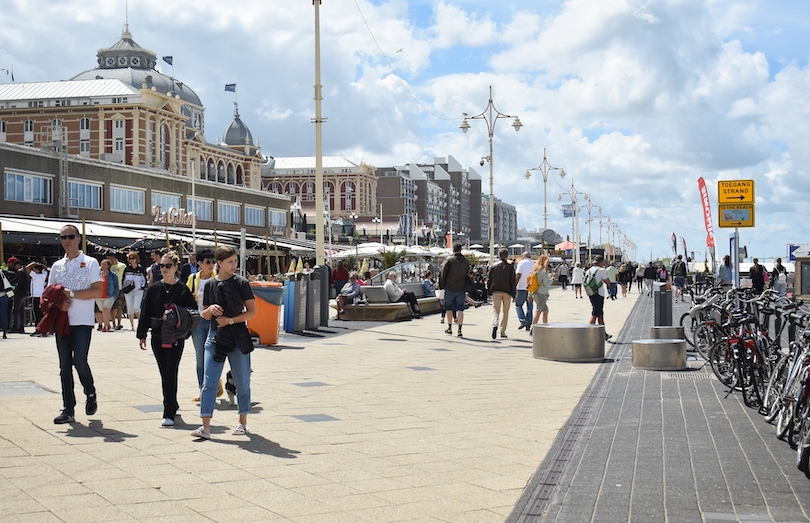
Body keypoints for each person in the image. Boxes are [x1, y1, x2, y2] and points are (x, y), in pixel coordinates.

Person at [193, 245, 257, 440]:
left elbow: (252, 312)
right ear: (219, 263)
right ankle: (205, 426)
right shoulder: (210, 284)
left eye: (235, 261)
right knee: (209, 382)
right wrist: (210, 309)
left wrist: (229, 320)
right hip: (215, 337)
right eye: (230, 261)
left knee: (242, 382)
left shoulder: (242, 283)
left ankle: (242, 422)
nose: (234, 265)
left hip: (237, 336)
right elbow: (203, 314)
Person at [48, 224, 103, 424]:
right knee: (64, 366)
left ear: (79, 238)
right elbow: (49, 294)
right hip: (62, 321)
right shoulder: (57, 266)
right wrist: (59, 303)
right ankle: (68, 409)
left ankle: (90, 392)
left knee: (79, 361)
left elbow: (97, 290)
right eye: (63, 237)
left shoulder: (90, 262)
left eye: (71, 236)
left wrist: (71, 294)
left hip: (83, 321)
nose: (67, 240)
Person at [137, 251, 197, 427]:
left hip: (176, 336)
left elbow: (193, 314)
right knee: (164, 372)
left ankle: (168, 410)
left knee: (171, 371)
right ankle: (173, 402)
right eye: (160, 266)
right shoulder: (154, 288)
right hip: (157, 335)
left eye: (167, 266)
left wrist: (180, 323)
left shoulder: (183, 289)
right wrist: (141, 334)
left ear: (176, 267)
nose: (163, 269)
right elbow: (146, 311)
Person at [186, 249, 217, 401]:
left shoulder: (218, 279)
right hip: (197, 321)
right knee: (200, 356)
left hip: (213, 321)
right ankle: (202, 389)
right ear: (199, 263)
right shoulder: (192, 279)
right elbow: (185, 298)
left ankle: (213, 383)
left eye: (213, 261)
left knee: (212, 355)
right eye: (208, 262)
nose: (211, 265)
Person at [439, 243, 470, 337]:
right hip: (461, 288)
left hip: (450, 288)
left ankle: (449, 328)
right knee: (460, 309)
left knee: (448, 308)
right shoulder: (465, 261)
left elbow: (443, 273)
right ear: (461, 250)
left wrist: (442, 285)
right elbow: (468, 273)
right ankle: (460, 330)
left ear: (453, 250)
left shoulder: (449, 260)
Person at [487, 249, 516, 339]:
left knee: (496, 311)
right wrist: (514, 294)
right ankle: (502, 331)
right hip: (507, 292)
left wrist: (489, 292)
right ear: (507, 256)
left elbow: (489, 280)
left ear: (499, 255)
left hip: (496, 291)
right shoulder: (510, 266)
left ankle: (494, 324)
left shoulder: (493, 266)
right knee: (505, 312)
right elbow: (513, 281)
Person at [585, 255, 612, 341]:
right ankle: (588, 333)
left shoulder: (589, 270)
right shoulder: (601, 270)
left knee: (600, 314)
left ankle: (603, 334)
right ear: (601, 262)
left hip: (591, 293)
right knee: (595, 314)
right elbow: (607, 282)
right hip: (599, 294)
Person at [122, 252, 148, 331]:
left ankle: (141, 324)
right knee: (129, 308)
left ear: (136, 259)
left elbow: (145, 279)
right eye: (130, 258)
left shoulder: (141, 269)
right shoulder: (126, 269)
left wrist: (142, 287)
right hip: (128, 291)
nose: (131, 260)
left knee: (137, 307)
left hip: (138, 290)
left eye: (133, 258)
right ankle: (132, 325)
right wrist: (124, 288)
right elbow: (123, 279)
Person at [529, 254, 552, 335]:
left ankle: (545, 327)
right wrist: (551, 279)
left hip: (536, 293)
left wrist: (529, 294)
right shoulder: (543, 271)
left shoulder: (535, 270)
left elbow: (531, 283)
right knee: (538, 311)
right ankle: (533, 328)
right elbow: (546, 283)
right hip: (542, 293)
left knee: (545, 311)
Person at [95, 259, 119, 332]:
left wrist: (114, 296)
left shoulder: (113, 275)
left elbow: (116, 286)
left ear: (109, 266)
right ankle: (108, 324)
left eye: (104, 264)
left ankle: (106, 327)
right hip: (99, 296)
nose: (102, 266)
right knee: (104, 311)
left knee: (105, 310)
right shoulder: (98, 274)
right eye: (101, 264)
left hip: (109, 296)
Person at [9, 257, 30, 334]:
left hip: (20, 293)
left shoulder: (20, 272)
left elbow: (19, 284)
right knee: (21, 311)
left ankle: (15, 327)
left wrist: (14, 291)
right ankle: (21, 326)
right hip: (25, 293)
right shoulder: (24, 271)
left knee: (15, 310)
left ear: (18, 265)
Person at [514, 252, 535, 330]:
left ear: (523, 256)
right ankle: (528, 324)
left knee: (518, 305)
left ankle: (523, 320)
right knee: (530, 307)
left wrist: (515, 285)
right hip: (531, 288)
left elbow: (518, 274)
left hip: (521, 287)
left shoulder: (521, 263)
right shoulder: (533, 264)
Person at [107, 253, 127, 330]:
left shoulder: (122, 266)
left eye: (109, 258)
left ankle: (119, 323)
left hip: (120, 288)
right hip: (111, 289)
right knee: (112, 307)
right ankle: (113, 323)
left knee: (119, 307)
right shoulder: (108, 266)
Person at [29, 261, 48, 336]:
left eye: (34, 268)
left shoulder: (35, 276)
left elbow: (27, 268)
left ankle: (38, 329)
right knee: (41, 313)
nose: (33, 270)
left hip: (35, 296)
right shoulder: (43, 275)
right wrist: (41, 265)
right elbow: (46, 269)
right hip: (41, 296)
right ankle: (43, 329)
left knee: (36, 314)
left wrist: (33, 263)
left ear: (37, 270)